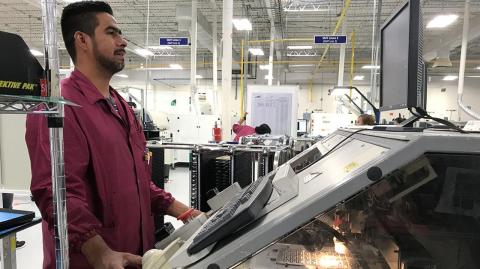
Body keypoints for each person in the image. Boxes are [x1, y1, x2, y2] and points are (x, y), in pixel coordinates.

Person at [25, 2, 200, 268]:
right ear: (82, 40)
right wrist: (100, 252)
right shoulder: (57, 106)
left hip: (133, 256)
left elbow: (140, 184)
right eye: (112, 33)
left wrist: (186, 213)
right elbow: (54, 193)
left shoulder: (122, 108)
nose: (123, 42)